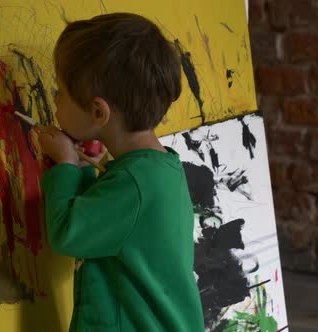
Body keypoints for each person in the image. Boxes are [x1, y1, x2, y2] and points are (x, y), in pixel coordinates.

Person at [38, 13, 205, 331]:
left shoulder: (132, 184)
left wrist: (65, 165)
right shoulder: (161, 169)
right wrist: (85, 165)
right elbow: (106, 223)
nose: (55, 99)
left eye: (60, 91)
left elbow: (67, 234)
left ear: (98, 111)